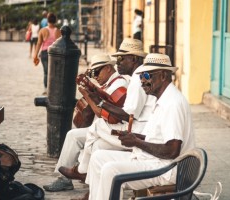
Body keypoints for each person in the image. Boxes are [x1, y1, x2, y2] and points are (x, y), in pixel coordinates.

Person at [84, 53, 195, 200]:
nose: (142, 81)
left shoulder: (172, 103)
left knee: (111, 170)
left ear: (162, 75)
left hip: (166, 168)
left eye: (147, 76)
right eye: (141, 76)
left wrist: (137, 142)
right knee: (98, 157)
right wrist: (135, 137)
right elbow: (158, 138)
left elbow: (172, 150)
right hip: (153, 160)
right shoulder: (162, 99)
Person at [59, 38, 157, 200]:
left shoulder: (138, 80)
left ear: (133, 59)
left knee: (97, 126)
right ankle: (92, 194)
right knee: (97, 146)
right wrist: (98, 97)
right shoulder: (135, 79)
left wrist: (100, 101)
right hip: (137, 130)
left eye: (121, 59)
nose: (118, 63)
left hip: (139, 135)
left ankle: (83, 170)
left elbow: (128, 115)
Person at [43, 53, 129, 192]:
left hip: (112, 129)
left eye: (96, 72)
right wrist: (91, 91)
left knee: (80, 138)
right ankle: (65, 178)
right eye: (92, 73)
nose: (95, 76)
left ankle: (80, 176)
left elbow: (106, 115)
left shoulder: (119, 84)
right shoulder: (109, 84)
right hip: (105, 127)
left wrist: (88, 96)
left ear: (108, 68)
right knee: (73, 135)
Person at [33, 13, 61, 95]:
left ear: (47, 20)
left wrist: (35, 55)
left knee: (46, 72)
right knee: (54, 72)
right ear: (55, 21)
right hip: (55, 54)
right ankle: (54, 89)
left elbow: (39, 43)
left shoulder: (42, 30)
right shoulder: (58, 31)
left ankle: (46, 89)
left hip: (45, 53)